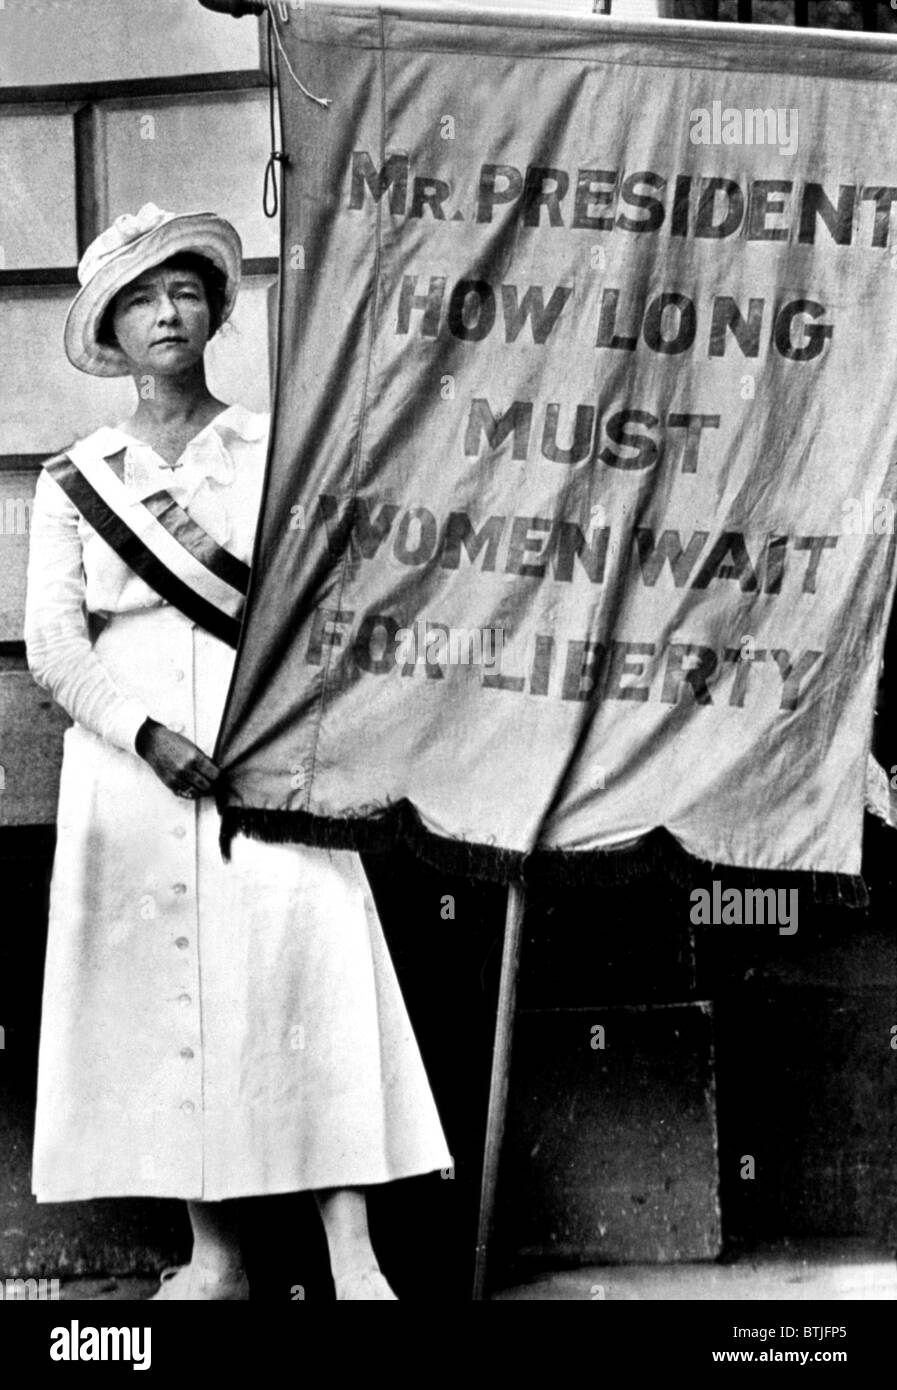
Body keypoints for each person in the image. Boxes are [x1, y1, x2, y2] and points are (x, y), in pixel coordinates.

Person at [24, 203, 452, 1301]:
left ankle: (353, 1259)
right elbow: (55, 644)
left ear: (214, 310)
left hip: (270, 751)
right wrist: (146, 734)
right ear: (110, 334)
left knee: (315, 972)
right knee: (166, 994)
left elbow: (330, 599)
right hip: (132, 767)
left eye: (184, 291)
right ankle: (215, 1255)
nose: (167, 313)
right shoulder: (77, 480)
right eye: (139, 300)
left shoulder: (275, 449)